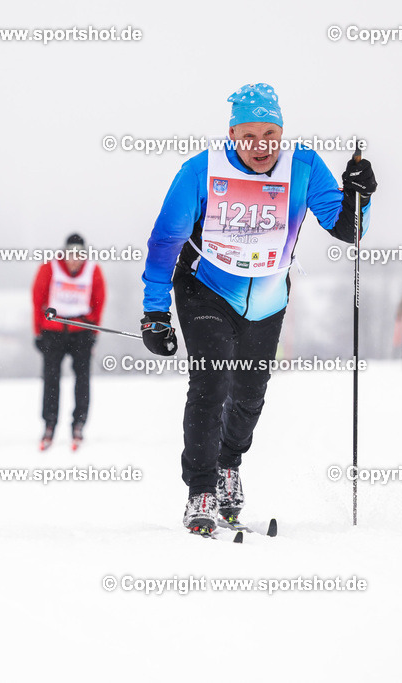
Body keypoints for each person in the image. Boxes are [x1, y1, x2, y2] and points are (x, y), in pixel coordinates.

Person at [139, 83, 377, 534]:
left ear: (282, 132)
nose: (261, 145)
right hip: (205, 287)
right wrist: (155, 313)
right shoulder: (200, 171)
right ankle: (202, 490)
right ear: (232, 134)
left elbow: (347, 227)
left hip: (267, 298)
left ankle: (229, 465)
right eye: (249, 136)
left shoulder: (303, 166)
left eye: (271, 133)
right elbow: (164, 242)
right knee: (212, 381)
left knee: (248, 395)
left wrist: (360, 195)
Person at [32, 233, 106, 451]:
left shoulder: (93, 271)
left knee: (82, 379)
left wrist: (94, 332)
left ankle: (79, 423)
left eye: (79, 255)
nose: (74, 260)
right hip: (52, 332)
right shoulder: (49, 267)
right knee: (51, 378)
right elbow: (38, 299)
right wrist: (38, 332)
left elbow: (99, 302)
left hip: (81, 332)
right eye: (71, 254)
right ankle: (49, 423)